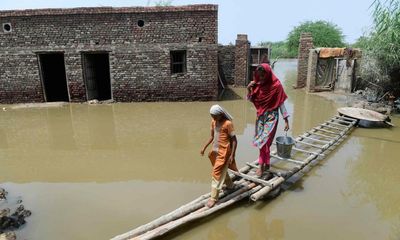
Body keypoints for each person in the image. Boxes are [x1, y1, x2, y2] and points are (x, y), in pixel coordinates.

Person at [247, 63, 290, 177]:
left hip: (272, 117)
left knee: (264, 141)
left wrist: (286, 120)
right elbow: (251, 99)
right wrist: (249, 88)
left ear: (268, 74)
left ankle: (261, 167)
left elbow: (281, 103)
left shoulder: (276, 86)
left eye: (263, 76)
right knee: (263, 142)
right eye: (259, 76)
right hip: (260, 117)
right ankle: (267, 163)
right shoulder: (258, 85)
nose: (261, 78)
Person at [200, 104, 238, 208]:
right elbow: (212, 136)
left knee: (216, 173)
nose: (213, 118)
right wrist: (204, 147)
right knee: (221, 170)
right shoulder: (213, 122)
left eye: (214, 116)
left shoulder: (228, 124)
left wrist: (232, 155)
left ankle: (213, 198)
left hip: (224, 152)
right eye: (211, 116)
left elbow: (234, 140)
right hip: (215, 151)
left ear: (221, 114)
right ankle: (230, 186)